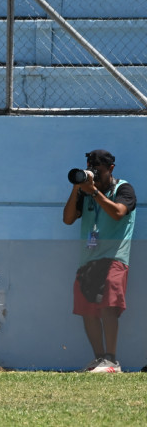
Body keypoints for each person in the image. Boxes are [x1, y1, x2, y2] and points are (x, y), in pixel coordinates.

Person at [63, 149, 136, 373]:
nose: (94, 174)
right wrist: (77, 188)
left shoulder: (123, 188)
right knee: (88, 310)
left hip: (114, 258)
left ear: (111, 168)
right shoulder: (85, 191)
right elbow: (68, 219)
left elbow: (118, 212)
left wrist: (94, 192)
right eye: (91, 169)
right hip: (88, 260)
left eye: (99, 170)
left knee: (108, 307)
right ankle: (99, 359)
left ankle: (112, 361)